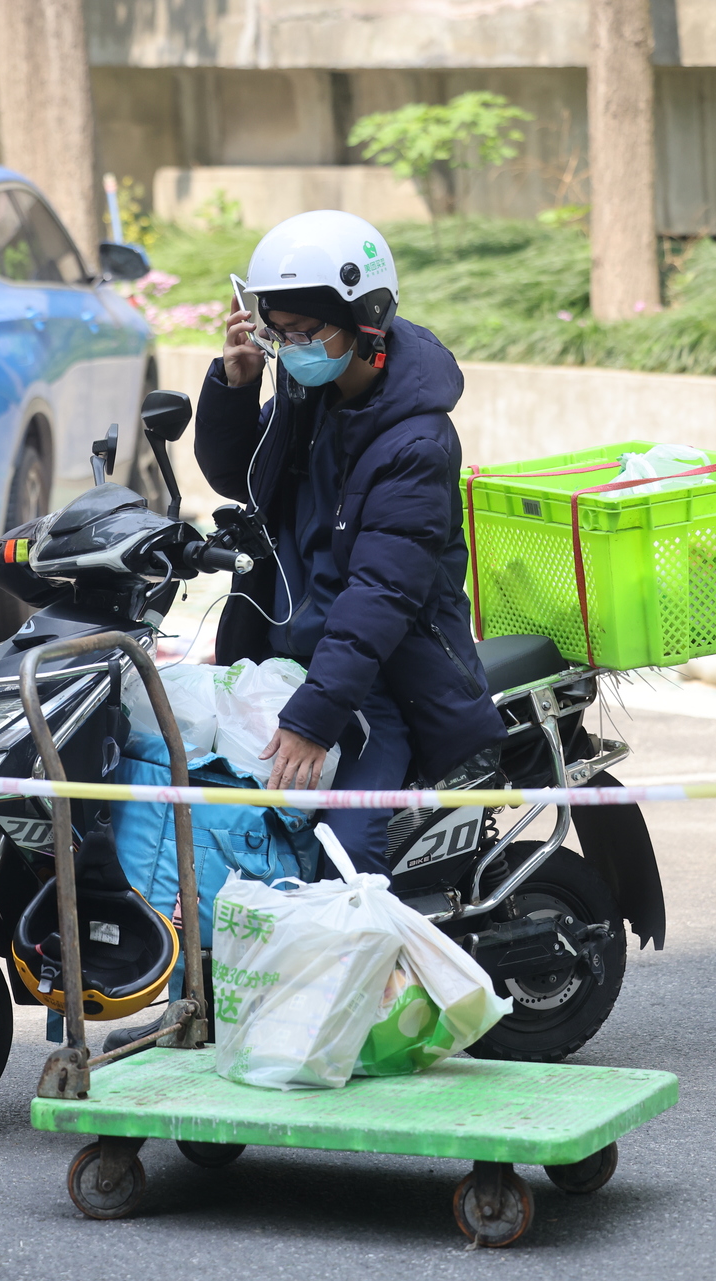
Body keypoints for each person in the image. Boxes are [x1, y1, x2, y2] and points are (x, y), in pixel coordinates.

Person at [196, 210, 506, 877]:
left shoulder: (415, 445)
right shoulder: (312, 395)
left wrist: (315, 718)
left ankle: (364, 965)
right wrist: (238, 382)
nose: (292, 346)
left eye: (307, 332)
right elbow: (241, 479)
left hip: (377, 686)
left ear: (367, 321)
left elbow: (380, 596)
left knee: (341, 852)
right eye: (279, 333)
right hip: (296, 665)